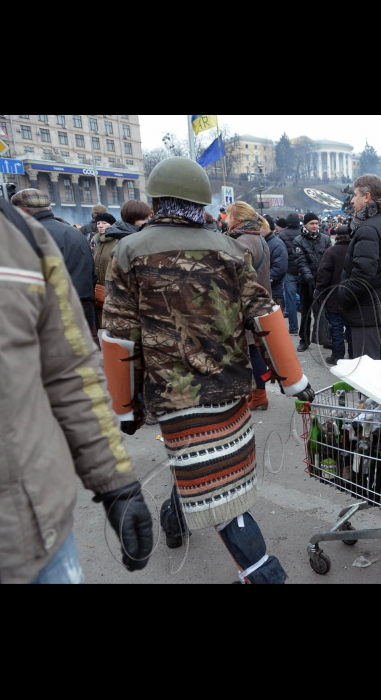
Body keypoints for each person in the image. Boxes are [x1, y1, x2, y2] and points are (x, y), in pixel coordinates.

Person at [103, 157, 313, 584]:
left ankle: (215, 544)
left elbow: (119, 336)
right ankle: (256, 568)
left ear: (157, 198)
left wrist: (125, 407)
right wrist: (295, 381)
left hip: (173, 393)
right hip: (229, 386)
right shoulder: (229, 247)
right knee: (218, 478)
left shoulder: (129, 251)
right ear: (202, 201)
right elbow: (265, 314)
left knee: (210, 476)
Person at [0, 195, 153, 584]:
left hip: (31, 531)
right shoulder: (75, 237)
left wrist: (115, 482)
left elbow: (68, 373)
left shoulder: (21, 237)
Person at [11, 188, 98, 344]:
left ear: (22, 211)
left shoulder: (28, 235)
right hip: (82, 306)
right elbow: (91, 272)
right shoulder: (75, 232)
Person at [338, 175, 381, 364]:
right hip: (378, 306)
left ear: (367, 196)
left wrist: (343, 295)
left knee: (368, 374)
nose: (351, 199)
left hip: (365, 310)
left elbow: (363, 275)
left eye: (355, 195)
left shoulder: (368, 228)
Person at [226, 201, 274, 412]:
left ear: (236, 219)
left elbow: (236, 278)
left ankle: (259, 394)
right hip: (260, 302)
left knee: (251, 350)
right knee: (255, 347)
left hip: (244, 304)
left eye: (229, 216)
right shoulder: (260, 240)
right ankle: (256, 392)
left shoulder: (240, 242)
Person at [93, 200, 152, 329]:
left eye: (103, 223)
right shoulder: (133, 241)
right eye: (148, 217)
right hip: (140, 306)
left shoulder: (120, 240)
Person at [315, 225, 353, 364]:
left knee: (336, 327)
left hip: (333, 296)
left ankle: (338, 356)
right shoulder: (355, 251)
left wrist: (320, 292)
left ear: (336, 236)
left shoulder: (331, 252)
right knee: (351, 328)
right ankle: (353, 356)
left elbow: (323, 274)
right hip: (352, 296)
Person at [294, 212, 331, 352]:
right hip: (306, 282)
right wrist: (310, 279)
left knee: (324, 312)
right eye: (312, 223)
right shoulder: (298, 240)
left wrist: (324, 278)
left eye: (316, 223)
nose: (315, 226)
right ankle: (304, 340)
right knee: (306, 312)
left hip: (322, 281)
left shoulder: (326, 239)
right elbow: (301, 262)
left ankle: (325, 338)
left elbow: (328, 260)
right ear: (305, 225)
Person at [279, 213, 302, 335]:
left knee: (290, 300)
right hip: (303, 270)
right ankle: (306, 327)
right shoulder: (303, 233)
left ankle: (293, 328)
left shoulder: (282, 235)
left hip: (289, 271)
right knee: (305, 299)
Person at [263, 214, 289, 312]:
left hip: (273, 292)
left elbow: (280, 268)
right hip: (266, 291)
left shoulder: (277, 244)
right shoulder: (263, 242)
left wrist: (265, 280)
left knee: (274, 324)